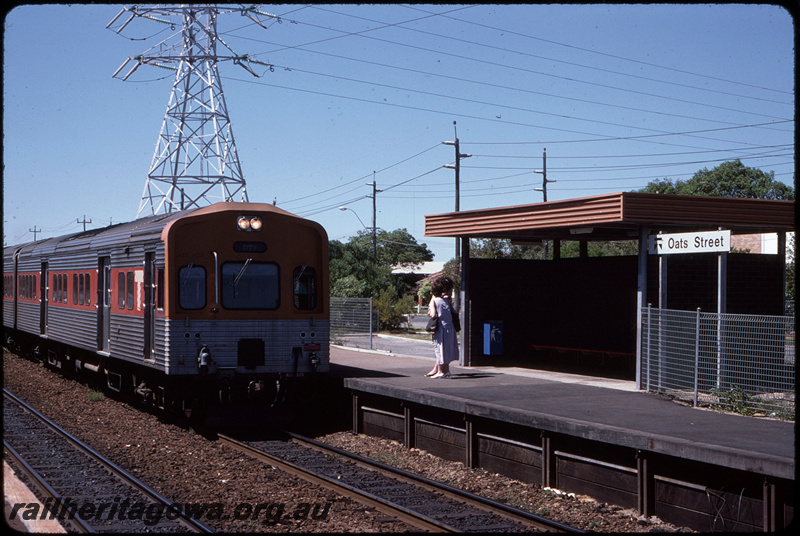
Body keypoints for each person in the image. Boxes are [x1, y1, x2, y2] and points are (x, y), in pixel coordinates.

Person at [425, 276, 459, 378]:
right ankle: (447, 370)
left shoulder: (435, 301)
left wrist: (430, 311)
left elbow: (434, 315)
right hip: (450, 328)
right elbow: (454, 312)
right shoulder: (447, 301)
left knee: (439, 349)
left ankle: (440, 371)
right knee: (447, 349)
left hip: (441, 328)